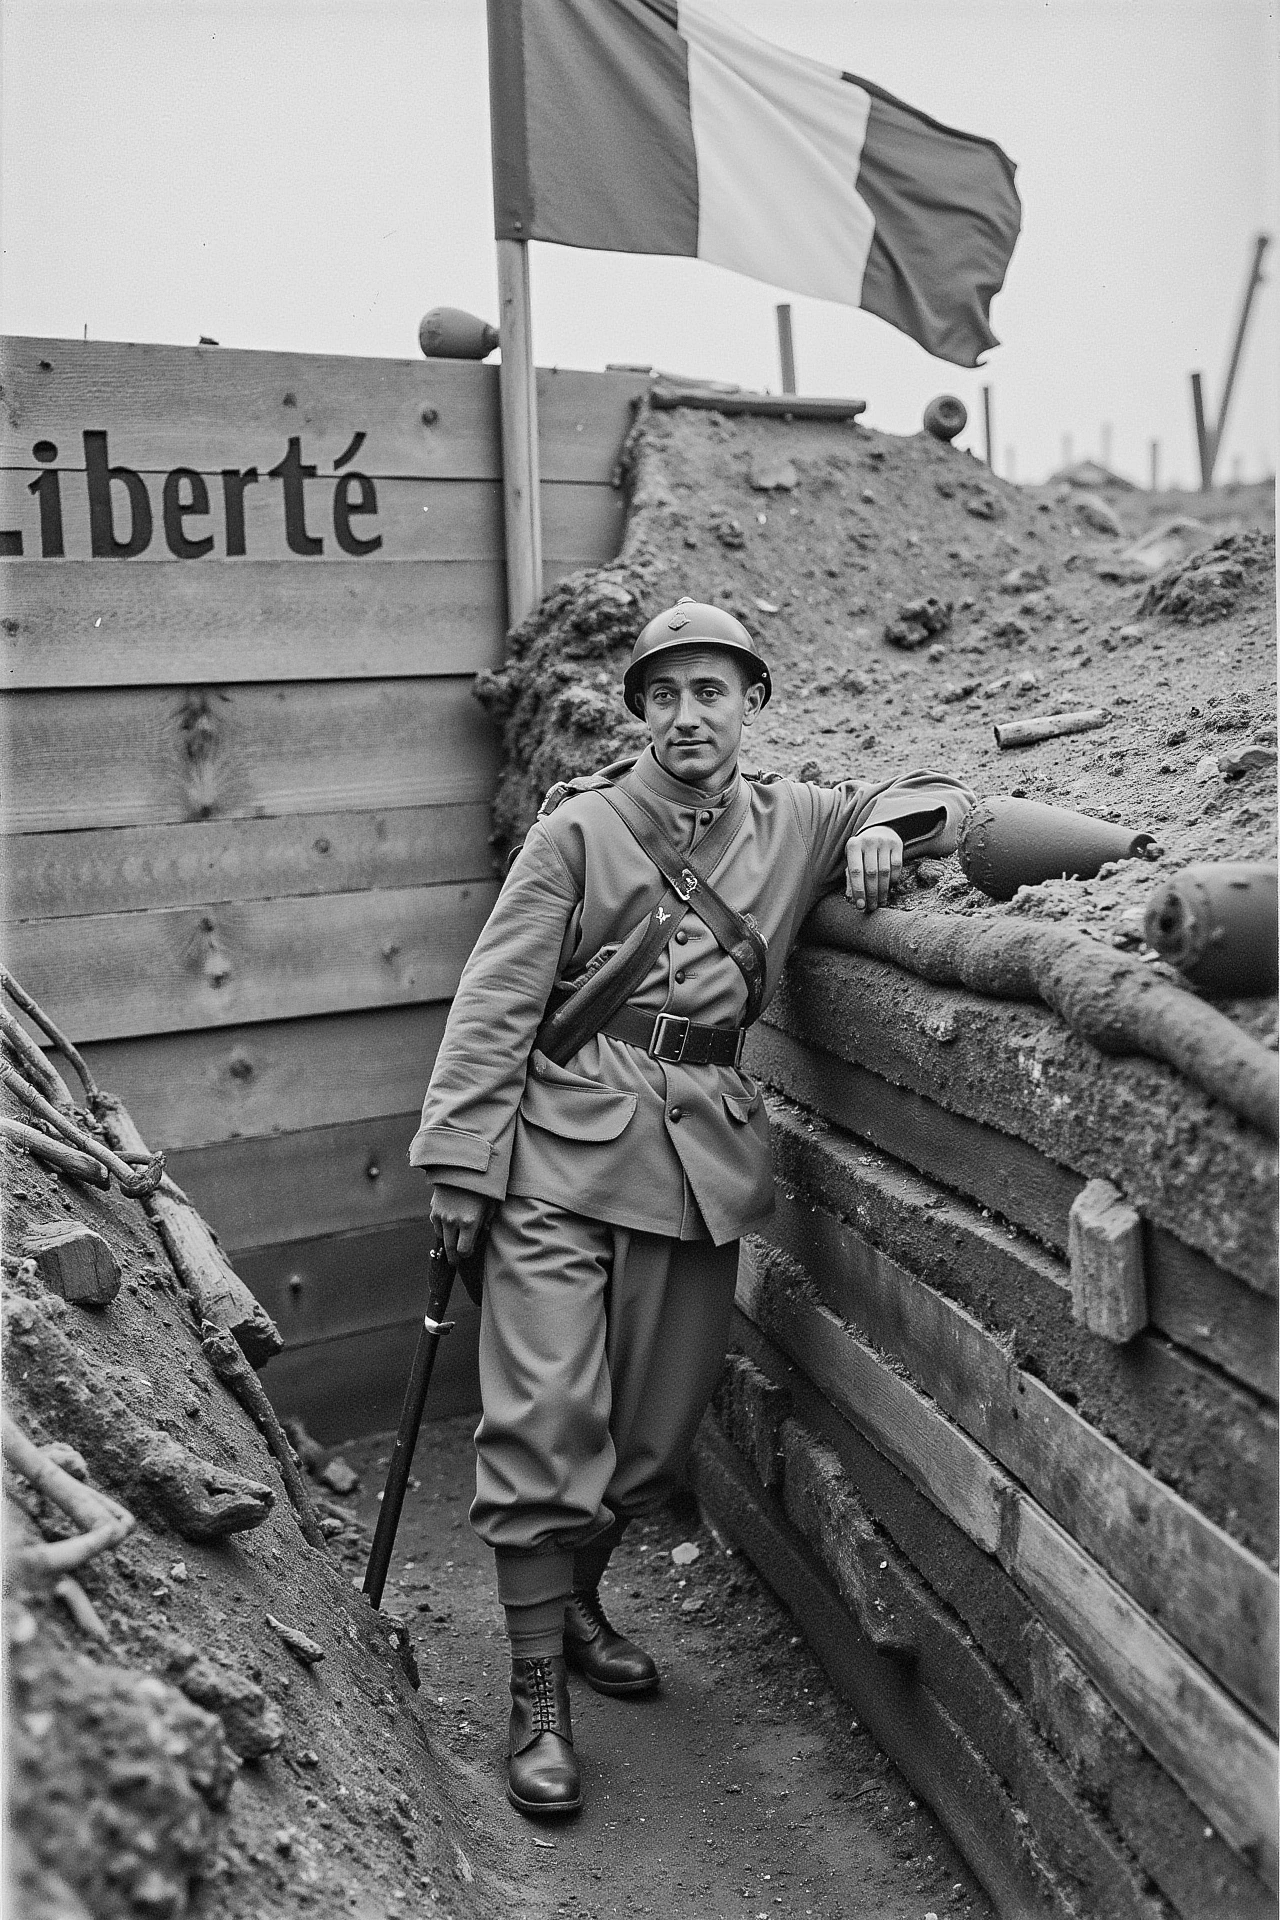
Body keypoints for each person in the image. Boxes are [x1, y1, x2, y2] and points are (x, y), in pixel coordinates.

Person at [408, 599, 973, 1817]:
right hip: (557, 1150)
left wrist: (880, 829)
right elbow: (494, 1000)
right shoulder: (576, 834)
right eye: (661, 696)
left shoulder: (796, 820)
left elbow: (941, 794)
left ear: (748, 704)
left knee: (651, 1440)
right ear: (638, 713)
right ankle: (531, 1693)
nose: (684, 719)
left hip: (697, 1166)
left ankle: (580, 1611)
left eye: (708, 692)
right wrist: (461, 1167)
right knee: (545, 1416)